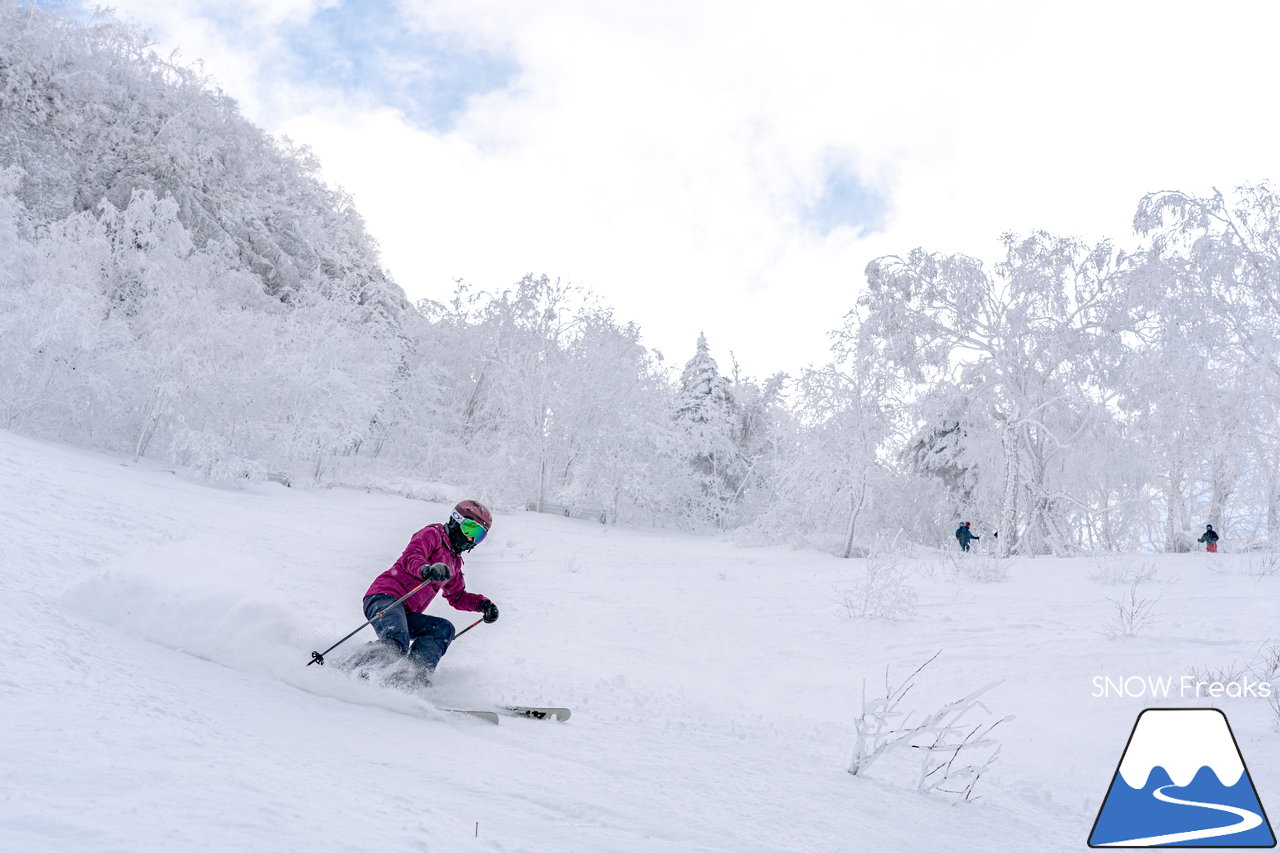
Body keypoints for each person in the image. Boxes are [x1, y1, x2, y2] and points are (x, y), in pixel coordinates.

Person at [351, 500, 499, 684]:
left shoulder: (454, 561)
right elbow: (411, 557)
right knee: (397, 641)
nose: (471, 539)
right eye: (470, 530)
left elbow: (457, 596)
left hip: (406, 613)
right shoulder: (433, 534)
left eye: (479, 536)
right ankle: (350, 668)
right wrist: (427, 569)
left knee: (443, 629)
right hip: (385, 597)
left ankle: (410, 678)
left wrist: (483, 605)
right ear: (456, 521)